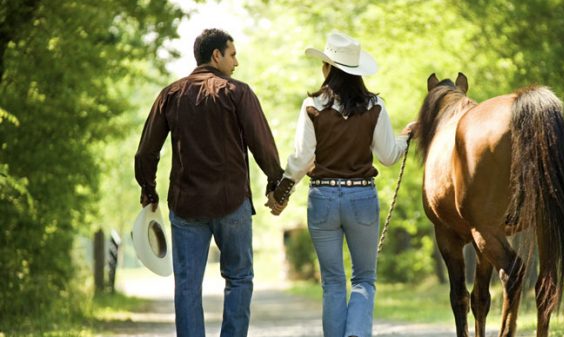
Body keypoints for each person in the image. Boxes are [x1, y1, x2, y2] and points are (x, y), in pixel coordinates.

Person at [134, 28, 283, 337]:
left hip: (186, 204)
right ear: (216, 55)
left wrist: (148, 188)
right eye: (232, 54)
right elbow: (262, 142)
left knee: (187, 284)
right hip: (232, 203)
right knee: (239, 278)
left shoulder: (171, 94)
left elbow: (147, 150)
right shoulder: (238, 92)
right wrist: (275, 182)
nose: (236, 62)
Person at [267, 31, 414, 337]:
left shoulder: (311, 106)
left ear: (328, 69)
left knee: (333, 282)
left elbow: (301, 158)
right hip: (361, 197)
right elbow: (388, 156)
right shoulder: (375, 106)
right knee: (363, 279)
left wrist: (282, 191)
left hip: (322, 198)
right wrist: (406, 137)